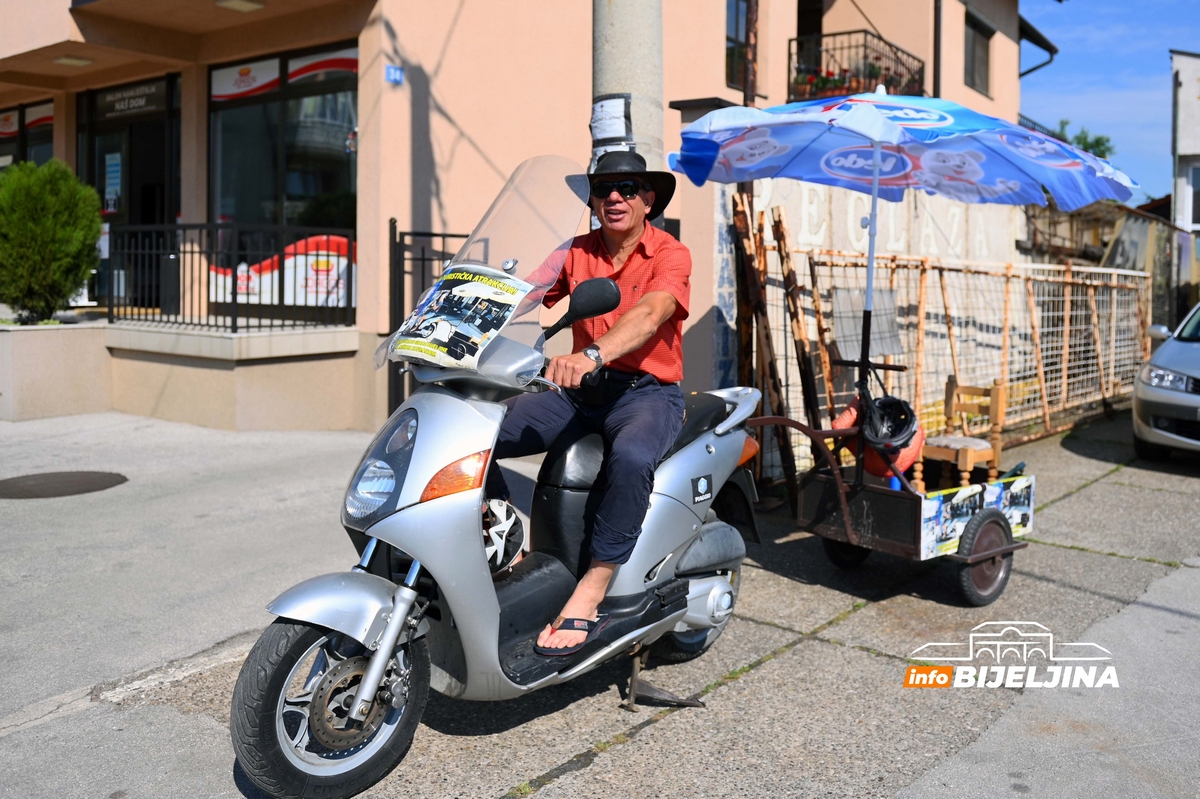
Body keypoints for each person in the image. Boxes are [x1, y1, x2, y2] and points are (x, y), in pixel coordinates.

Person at [485, 150, 691, 655]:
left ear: (648, 200)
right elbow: (526, 289)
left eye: (626, 188)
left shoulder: (671, 254)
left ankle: (593, 586)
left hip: (645, 392)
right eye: (603, 190)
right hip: (581, 392)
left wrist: (593, 353)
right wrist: (457, 317)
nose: (614, 197)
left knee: (633, 457)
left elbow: (650, 313)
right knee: (479, 433)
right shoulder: (576, 251)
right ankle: (498, 537)